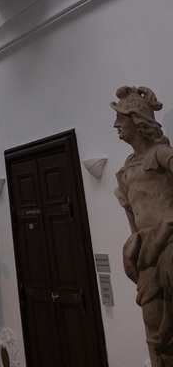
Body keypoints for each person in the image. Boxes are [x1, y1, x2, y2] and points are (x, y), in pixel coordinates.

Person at [112, 86, 173, 367]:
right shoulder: (127, 167)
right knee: (151, 316)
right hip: (146, 248)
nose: (116, 125)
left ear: (137, 120)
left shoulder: (161, 154)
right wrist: (135, 247)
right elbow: (131, 213)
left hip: (168, 237)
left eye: (120, 119)